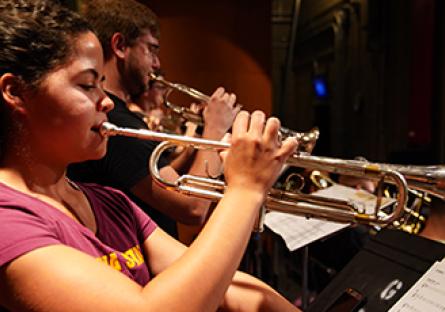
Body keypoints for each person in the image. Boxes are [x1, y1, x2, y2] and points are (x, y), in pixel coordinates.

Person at [0, 1, 300, 311]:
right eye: (87, 85)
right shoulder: (7, 220)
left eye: (101, 85)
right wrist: (246, 190)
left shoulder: (110, 202)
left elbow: (230, 288)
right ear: (16, 92)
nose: (105, 103)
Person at [68, 0, 240, 238]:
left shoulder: (120, 116)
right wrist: (215, 129)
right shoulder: (113, 122)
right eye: (151, 49)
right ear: (119, 46)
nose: (156, 63)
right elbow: (192, 207)